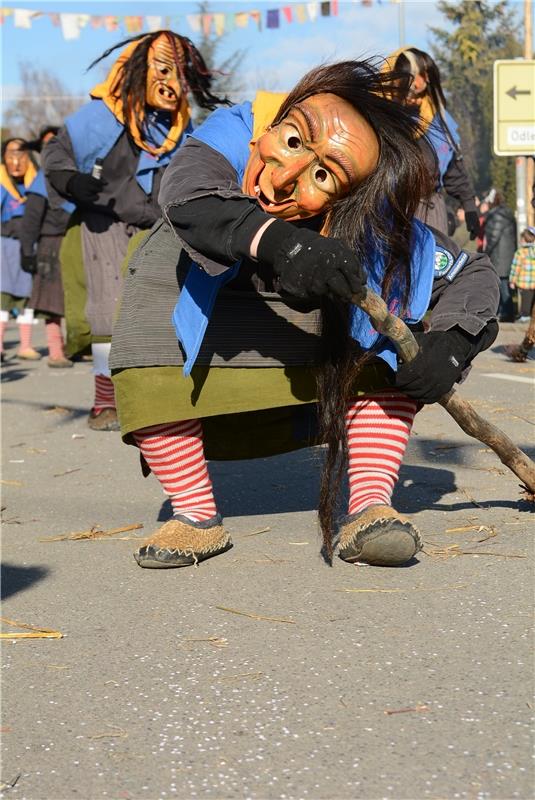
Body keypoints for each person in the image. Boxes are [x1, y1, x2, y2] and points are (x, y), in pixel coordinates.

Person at [109, 60, 499, 570]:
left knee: (396, 324)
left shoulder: (371, 218)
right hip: (206, 303)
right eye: (293, 142)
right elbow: (187, 190)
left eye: (322, 175)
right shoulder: (236, 133)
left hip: (308, 344)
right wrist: (282, 244)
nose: (286, 176)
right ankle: (195, 513)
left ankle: (370, 507)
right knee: (153, 276)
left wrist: (450, 344)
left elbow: (470, 273)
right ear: (277, 124)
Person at [43, 30, 226, 429]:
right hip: (103, 221)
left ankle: (156, 398)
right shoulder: (98, 117)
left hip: (159, 227)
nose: (172, 82)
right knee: (109, 309)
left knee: (162, 310)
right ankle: (105, 401)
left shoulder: (180, 126)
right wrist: (72, 181)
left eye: (180, 73)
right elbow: (56, 156)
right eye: (163, 69)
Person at [385, 47, 480, 240]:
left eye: (424, 74)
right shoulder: (381, 118)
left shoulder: (438, 121)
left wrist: (469, 207)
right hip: (389, 213)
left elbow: (453, 169)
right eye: (416, 74)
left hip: (431, 214)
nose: (422, 81)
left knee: (434, 268)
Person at [18, 131, 72, 368]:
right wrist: (27, 251)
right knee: (52, 302)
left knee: (76, 296)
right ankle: (55, 351)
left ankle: (75, 345)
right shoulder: (41, 181)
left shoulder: (71, 176)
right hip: (50, 244)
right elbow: (30, 221)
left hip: (73, 240)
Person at [0, 138, 40, 362]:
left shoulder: (36, 184)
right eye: (10, 156)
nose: (16, 162)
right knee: (2, 297)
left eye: (21, 156)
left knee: (28, 298)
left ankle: (25, 345)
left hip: (30, 246)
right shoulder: (2, 185)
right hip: (4, 246)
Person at [481, 189, 517, 322]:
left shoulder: (497, 215)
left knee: (501, 285)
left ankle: (506, 313)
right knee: (503, 284)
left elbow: (493, 237)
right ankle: (506, 312)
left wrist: (485, 253)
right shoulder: (506, 213)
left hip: (499, 256)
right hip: (506, 254)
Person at [509, 226, 535, 323]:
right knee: (532, 301)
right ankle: (532, 316)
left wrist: (512, 281)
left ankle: (525, 316)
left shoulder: (520, 252)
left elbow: (515, 267)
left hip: (525, 283)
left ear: (524, 239)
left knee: (525, 301)